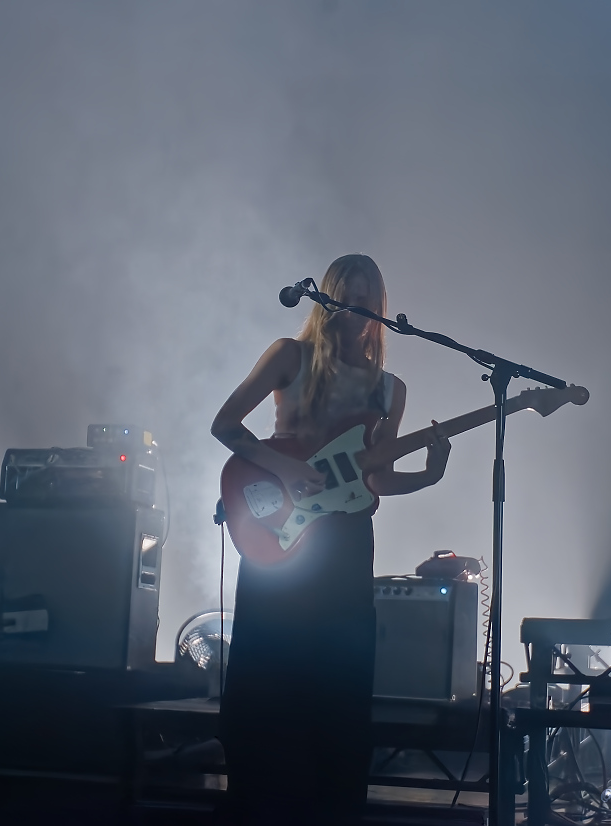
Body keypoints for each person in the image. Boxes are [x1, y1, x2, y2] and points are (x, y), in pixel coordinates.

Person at [210, 253, 451, 825]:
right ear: (327, 298)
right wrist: (283, 465)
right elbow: (225, 425)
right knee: (267, 686)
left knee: (338, 690)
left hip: (344, 544)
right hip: (280, 536)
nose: (357, 305)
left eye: (369, 295)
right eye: (348, 292)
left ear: (380, 307)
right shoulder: (289, 356)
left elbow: (375, 480)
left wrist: (431, 474)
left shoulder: (390, 389)